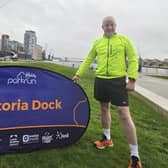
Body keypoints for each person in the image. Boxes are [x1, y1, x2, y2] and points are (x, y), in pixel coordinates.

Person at [72, 16, 142, 168]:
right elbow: (88, 59)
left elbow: (133, 59)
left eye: (112, 25)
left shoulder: (124, 40)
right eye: (106, 25)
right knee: (104, 108)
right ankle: (107, 138)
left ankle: (135, 155)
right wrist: (78, 74)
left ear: (115, 26)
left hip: (118, 81)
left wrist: (132, 79)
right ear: (102, 27)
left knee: (124, 113)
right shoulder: (98, 42)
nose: (109, 27)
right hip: (101, 80)